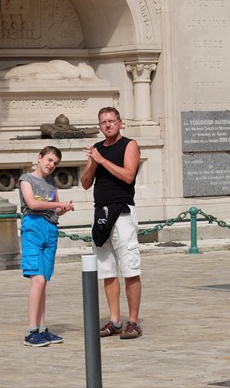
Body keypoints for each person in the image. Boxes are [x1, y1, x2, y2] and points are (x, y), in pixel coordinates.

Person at [81, 107, 143, 339]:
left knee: (130, 268)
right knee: (107, 270)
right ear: (99, 126)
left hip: (123, 213)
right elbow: (86, 183)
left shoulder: (130, 145)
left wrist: (102, 160)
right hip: (102, 213)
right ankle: (115, 320)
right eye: (103, 122)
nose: (107, 125)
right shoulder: (97, 149)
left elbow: (128, 175)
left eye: (111, 121)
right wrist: (93, 162)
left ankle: (133, 321)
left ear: (120, 122)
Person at [19, 146, 74, 347]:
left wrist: (64, 209)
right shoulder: (26, 179)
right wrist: (57, 205)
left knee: (44, 281)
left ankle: (42, 329)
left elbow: (56, 211)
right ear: (39, 158)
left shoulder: (51, 182)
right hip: (33, 227)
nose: (51, 165)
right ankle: (31, 331)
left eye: (55, 163)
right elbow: (32, 204)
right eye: (49, 160)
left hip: (50, 230)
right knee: (38, 280)